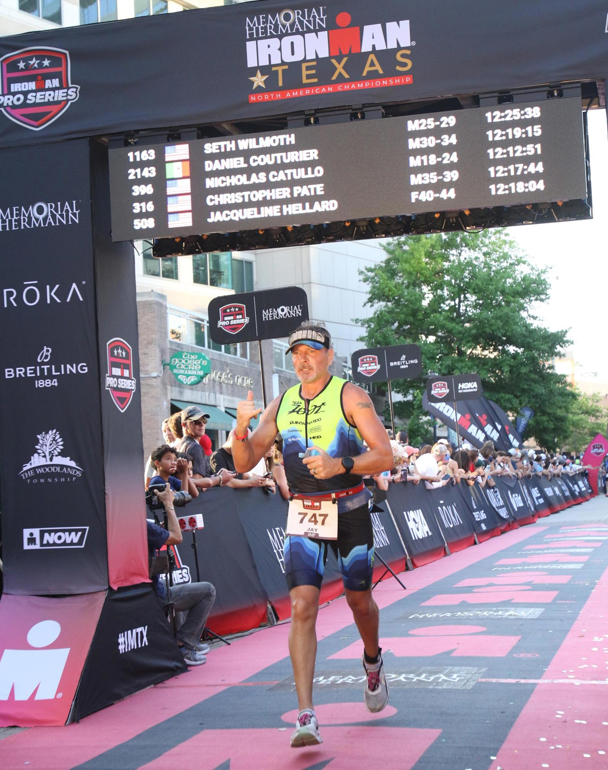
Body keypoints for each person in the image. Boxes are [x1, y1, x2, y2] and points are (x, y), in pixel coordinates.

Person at [231, 322, 393, 748]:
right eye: (297, 353)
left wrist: (341, 465)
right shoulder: (281, 403)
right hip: (305, 511)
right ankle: (306, 714)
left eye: (312, 351)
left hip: (350, 507)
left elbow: (385, 455)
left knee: (359, 601)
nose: (303, 360)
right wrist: (239, 430)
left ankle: (372, 661)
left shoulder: (350, 395)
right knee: (302, 606)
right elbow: (244, 462)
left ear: (329, 355)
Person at [147, 484, 216, 666]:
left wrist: (160, 529)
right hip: (153, 594)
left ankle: (185, 641)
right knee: (208, 591)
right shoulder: (143, 525)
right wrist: (169, 504)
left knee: (173, 590)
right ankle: (184, 644)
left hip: (141, 591)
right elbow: (177, 538)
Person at [176, 406, 233, 490]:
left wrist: (216, 476)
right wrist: (220, 479)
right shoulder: (195, 447)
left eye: (204, 421)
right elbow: (199, 485)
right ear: (184, 425)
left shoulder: (178, 444)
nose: (202, 424)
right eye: (196, 422)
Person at [210, 430, 276, 491]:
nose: (244, 449)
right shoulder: (217, 456)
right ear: (233, 440)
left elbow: (245, 476)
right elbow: (225, 482)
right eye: (243, 445)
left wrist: (261, 481)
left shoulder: (237, 455)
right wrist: (251, 482)